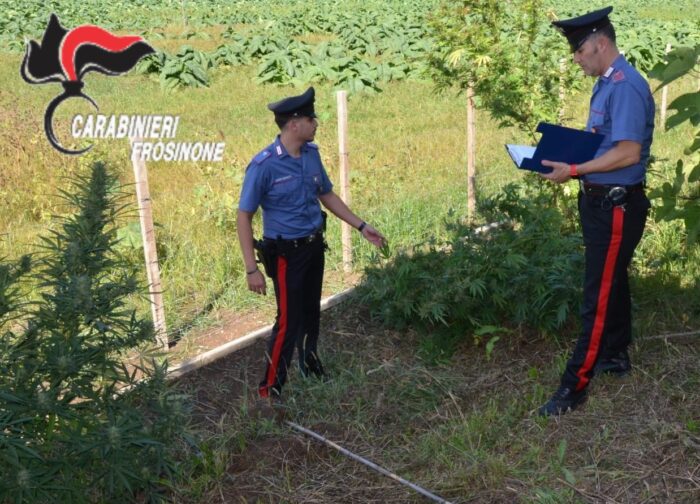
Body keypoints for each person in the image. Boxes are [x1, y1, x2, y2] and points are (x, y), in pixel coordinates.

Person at [538, 6, 654, 416]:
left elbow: (627, 151)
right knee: (612, 280)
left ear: (601, 44)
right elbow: (605, 142)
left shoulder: (624, 86)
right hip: (600, 201)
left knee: (598, 295)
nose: (575, 58)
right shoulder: (606, 83)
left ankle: (574, 387)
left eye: (580, 51)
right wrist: (565, 152)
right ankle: (615, 355)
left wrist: (574, 169)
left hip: (616, 205)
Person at [237, 87, 386, 402]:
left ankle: (309, 361)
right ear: (293, 124)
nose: (316, 122)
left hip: (313, 246)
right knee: (288, 321)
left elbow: (326, 194)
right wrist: (251, 268)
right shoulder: (264, 166)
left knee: (310, 312)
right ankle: (269, 390)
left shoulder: (311, 154)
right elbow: (244, 216)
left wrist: (361, 226)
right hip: (285, 255)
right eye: (310, 118)